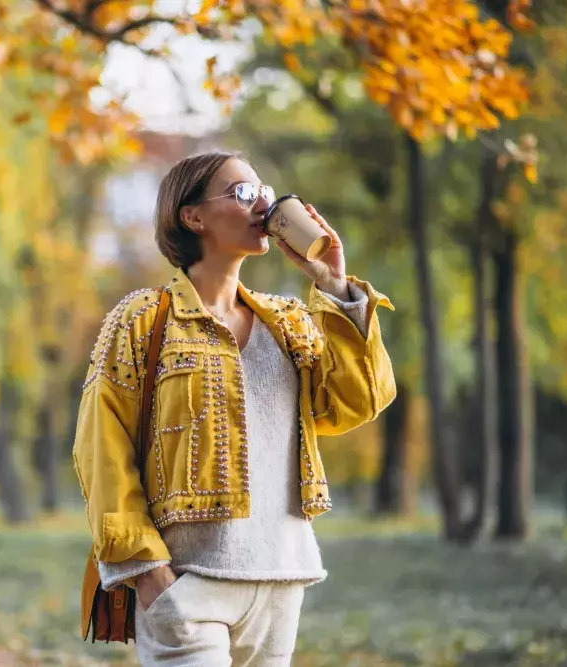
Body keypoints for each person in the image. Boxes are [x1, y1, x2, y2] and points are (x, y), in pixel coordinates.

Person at [72, 150, 396, 667]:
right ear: (192, 216)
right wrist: (148, 571)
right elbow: (101, 449)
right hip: (187, 586)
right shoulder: (143, 319)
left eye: (263, 190)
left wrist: (334, 286)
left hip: (280, 582)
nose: (263, 203)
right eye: (243, 193)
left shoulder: (289, 322)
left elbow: (355, 404)